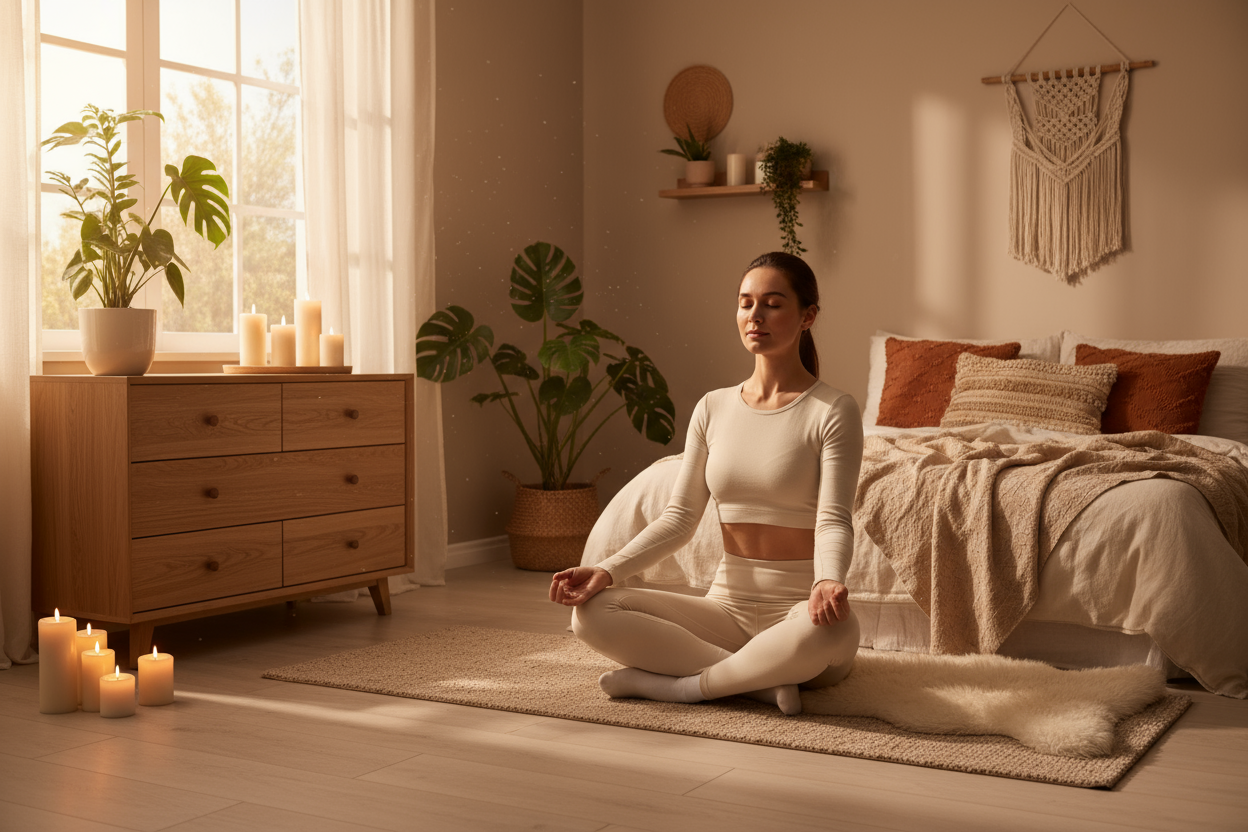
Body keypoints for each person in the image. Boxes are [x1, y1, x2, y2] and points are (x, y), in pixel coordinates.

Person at [548, 251, 863, 716]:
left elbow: (834, 518)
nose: (755, 316)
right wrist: (606, 570)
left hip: (799, 613)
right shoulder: (713, 407)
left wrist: (827, 580)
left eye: (773, 304)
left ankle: (682, 687)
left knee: (833, 633)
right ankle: (756, 682)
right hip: (726, 612)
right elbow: (678, 519)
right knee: (592, 613)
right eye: (745, 303)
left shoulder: (833, 410)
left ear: (807, 316)